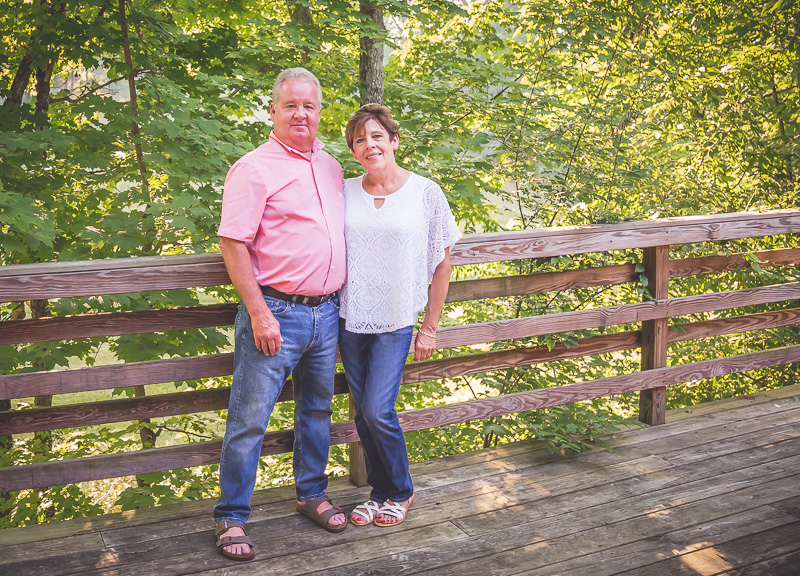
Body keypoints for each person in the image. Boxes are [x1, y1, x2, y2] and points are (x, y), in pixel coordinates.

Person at [213, 67, 348, 562]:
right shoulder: (253, 167)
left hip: (326, 314)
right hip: (275, 312)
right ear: (273, 110)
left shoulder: (332, 166)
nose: (300, 114)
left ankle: (311, 494)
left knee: (316, 412)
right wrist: (258, 312)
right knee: (249, 419)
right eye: (290, 105)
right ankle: (231, 516)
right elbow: (233, 242)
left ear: (320, 112)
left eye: (309, 106)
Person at [338, 104, 461, 527]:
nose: (369, 145)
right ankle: (379, 493)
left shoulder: (425, 192)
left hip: (396, 320)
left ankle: (401, 491)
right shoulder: (344, 191)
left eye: (376, 136)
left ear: (393, 140)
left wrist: (430, 327)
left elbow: (442, 263)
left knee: (377, 409)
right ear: (353, 151)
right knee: (361, 413)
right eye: (359, 140)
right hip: (349, 317)